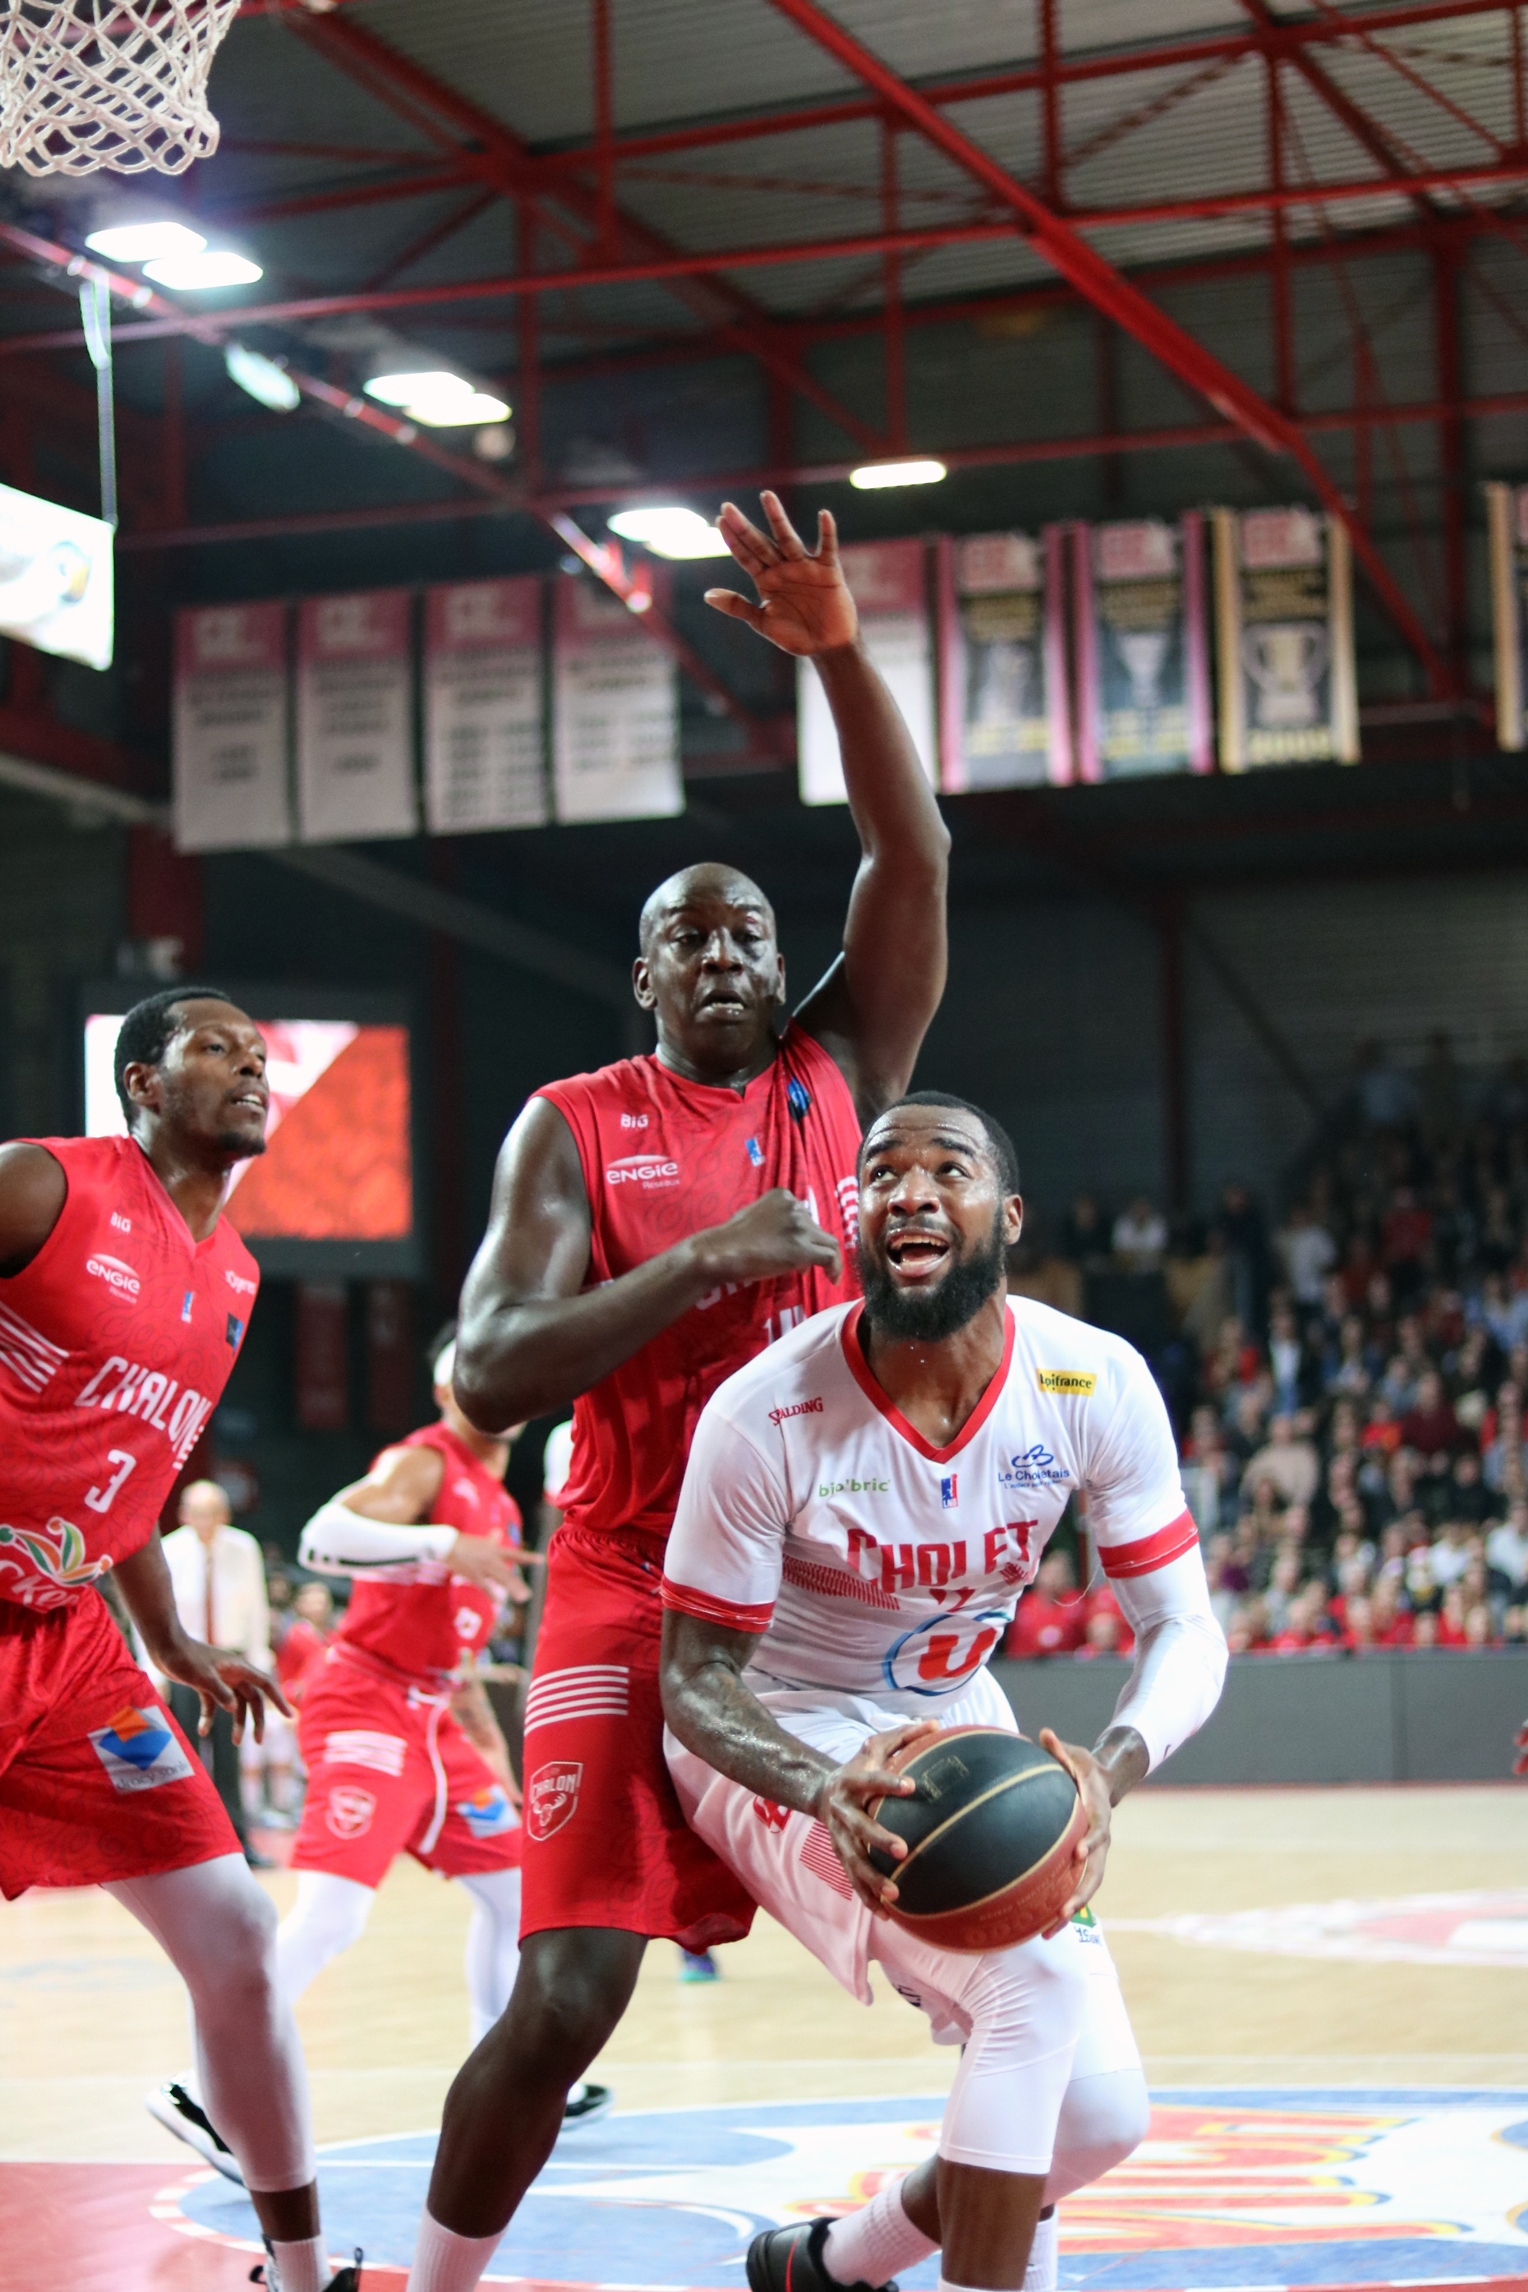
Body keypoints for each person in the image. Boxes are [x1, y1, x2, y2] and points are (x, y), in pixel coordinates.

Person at [408, 492, 951, 2292]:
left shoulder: (836, 1070)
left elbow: (911, 850)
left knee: (986, 1922)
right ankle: (429, 2281)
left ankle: (870, 2246)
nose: (723, 955)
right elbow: (482, 1367)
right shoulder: (571, 1127)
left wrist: (841, 657)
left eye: (745, 934)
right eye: (687, 939)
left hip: (803, 1606)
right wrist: (701, 1266)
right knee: (568, 1995)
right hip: (626, 1579)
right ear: (640, 976)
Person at [658, 1092, 1228, 2292]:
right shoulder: (768, 1410)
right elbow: (692, 1679)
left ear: (1005, 1216)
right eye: (881, 1173)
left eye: (947, 1169)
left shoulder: (1092, 1380)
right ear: (853, 1219)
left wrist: (1107, 1770)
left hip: (956, 1719)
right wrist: (819, 1788)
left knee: (1100, 2121)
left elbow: (1185, 1625)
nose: (910, 1189)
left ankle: (827, 2265)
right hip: (784, 1729)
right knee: (1033, 1985)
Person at [0, 986, 358, 2292]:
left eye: (261, 1054)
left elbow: (129, 1477)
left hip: (72, 1640)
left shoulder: (238, 1278)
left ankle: (303, 2271)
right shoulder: (42, 1187)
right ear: (141, 1083)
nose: (252, 1067)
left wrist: (172, 1640)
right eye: (217, 1047)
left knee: (234, 1931)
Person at [275, 1329, 610, 2114]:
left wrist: (490, 1751)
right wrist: (437, 1541)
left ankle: (504, 2078)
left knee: (518, 1895)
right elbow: (321, 1539)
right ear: (444, 1393)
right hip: (366, 1695)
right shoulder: (425, 1463)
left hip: (434, 1717)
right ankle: (210, 2088)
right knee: (333, 1914)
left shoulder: (496, 1508)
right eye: (473, 1376)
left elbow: (455, 1663)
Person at [152, 1476, 272, 1858]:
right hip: (184, 1661)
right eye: (198, 1512)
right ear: (184, 1514)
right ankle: (188, 1841)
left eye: (213, 1512)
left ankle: (238, 1839)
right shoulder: (168, 1551)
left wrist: (259, 1661)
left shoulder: (244, 1547)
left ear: (225, 1514)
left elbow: (257, 1606)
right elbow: (152, 1618)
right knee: (186, 1752)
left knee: (230, 1748)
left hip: (229, 1660)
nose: (206, 1519)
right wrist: (156, 1670)